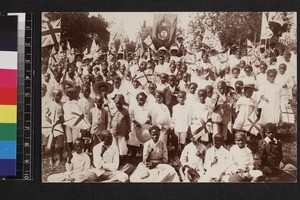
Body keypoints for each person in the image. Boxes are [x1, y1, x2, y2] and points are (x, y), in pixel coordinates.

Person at [109, 94, 131, 162]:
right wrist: (109, 131)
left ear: (123, 103)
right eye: (117, 103)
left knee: (122, 147)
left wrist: (128, 132)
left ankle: (122, 160)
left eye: (120, 103)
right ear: (115, 102)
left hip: (122, 133)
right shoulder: (112, 111)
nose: (118, 105)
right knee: (114, 146)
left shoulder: (125, 111)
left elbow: (128, 123)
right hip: (114, 132)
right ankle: (115, 160)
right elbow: (109, 122)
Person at [46, 89, 65, 166]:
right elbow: (46, 113)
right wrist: (47, 114)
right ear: (53, 96)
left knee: (61, 142)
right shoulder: (50, 104)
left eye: (60, 95)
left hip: (59, 124)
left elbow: (64, 113)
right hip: (52, 125)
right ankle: (51, 158)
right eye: (57, 95)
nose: (58, 97)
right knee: (52, 142)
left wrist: (62, 115)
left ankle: (60, 158)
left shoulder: (62, 104)